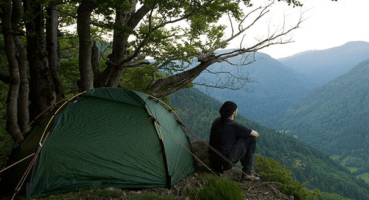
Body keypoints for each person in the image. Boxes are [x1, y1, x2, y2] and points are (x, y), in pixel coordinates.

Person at [208, 101, 260, 181]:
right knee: (250, 139)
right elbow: (255, 134)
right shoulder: (234, 125)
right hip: (225, 163)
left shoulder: (216, 121)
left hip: (213, 162)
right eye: (236, 110)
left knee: (239, 138)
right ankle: (247, 173)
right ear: (233, 113)